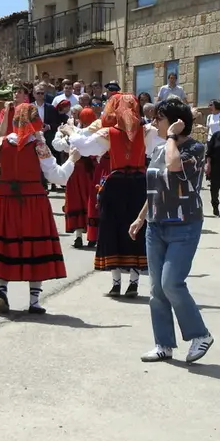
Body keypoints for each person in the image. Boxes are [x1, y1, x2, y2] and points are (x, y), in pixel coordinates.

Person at [131, 98, 213, 364]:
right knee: (156, 289)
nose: (154, 122)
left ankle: (200, 335)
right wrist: (141, 217)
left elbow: (175, 167)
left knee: (171, 283)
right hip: (156, 225)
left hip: (184, 224)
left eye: (160, 118)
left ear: (176, 123)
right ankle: (163, 343)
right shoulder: (159, 149)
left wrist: (171, 138)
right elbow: (156, 186)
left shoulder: (195, 149)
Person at [0, 103, 77, 314]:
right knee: (34, 246)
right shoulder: (39, 146)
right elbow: (57, 177)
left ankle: (2, 290)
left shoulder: (1, 143)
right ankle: (34, 301)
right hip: (33, 201)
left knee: (6, 244)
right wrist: (72, 161)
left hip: (5, 199)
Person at [64, 94, 164, 297]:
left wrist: (70, 130)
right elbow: (159, 146)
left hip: (116, 184)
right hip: (138, 184)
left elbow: (83, 147)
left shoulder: (108, 133)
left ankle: (116, 283)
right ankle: (133, 282)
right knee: (136, 230)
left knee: (114, 229)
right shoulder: (147, 131)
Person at [54, 106, 98, 248]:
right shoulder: (73, 131)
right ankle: (79, 236)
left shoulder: (92, 132)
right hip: (77, 171)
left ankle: (92, 235)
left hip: (88, 171)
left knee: (88, 202)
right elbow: (57, 145)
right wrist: (68, 140)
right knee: (78, 201)